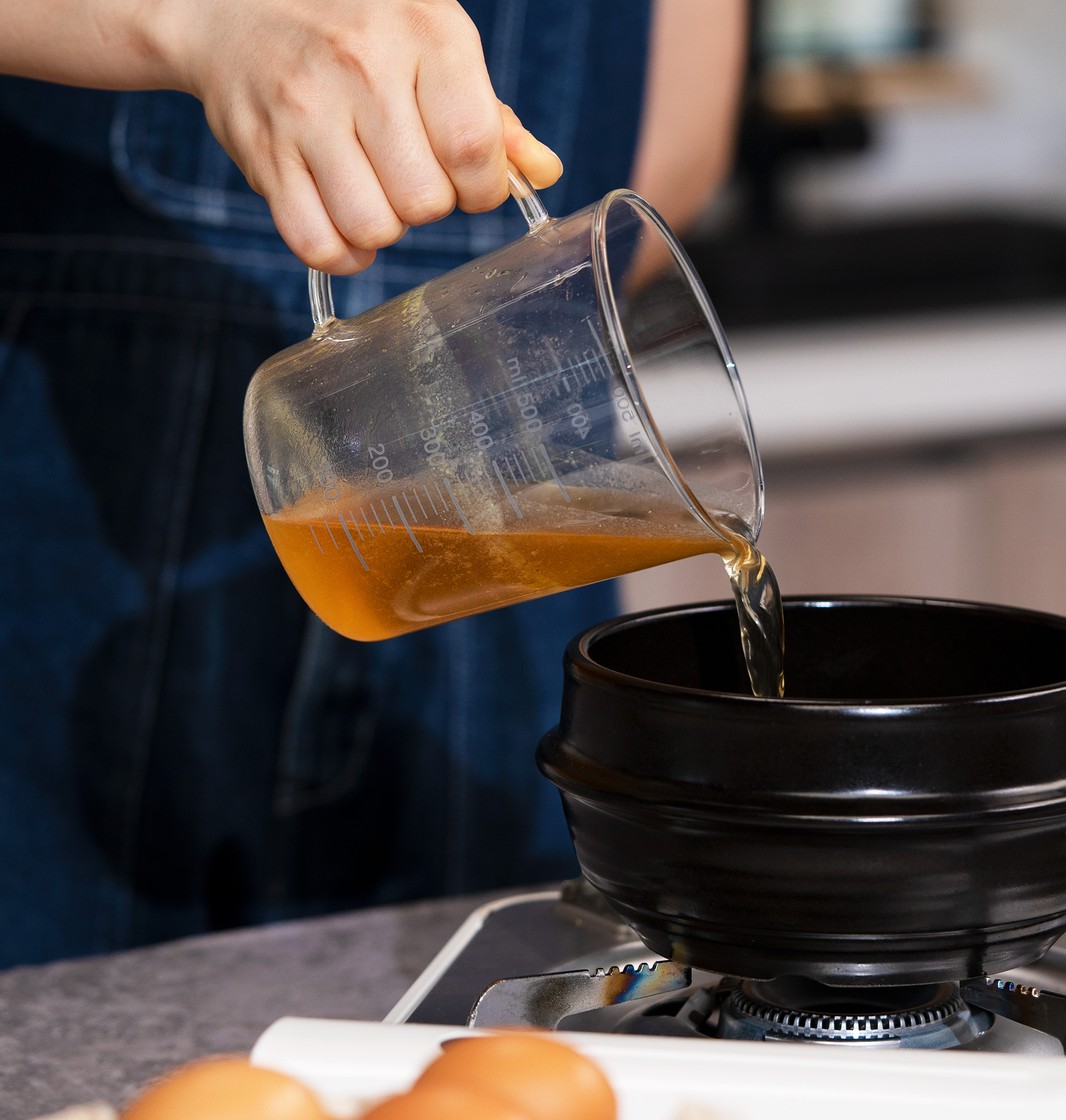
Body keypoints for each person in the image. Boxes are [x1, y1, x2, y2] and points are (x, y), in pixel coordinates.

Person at [0, 0, 746, 968]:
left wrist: (525, 327)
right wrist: (188, 20)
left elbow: (680, 137)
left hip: (493, 580)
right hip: (80, 507)